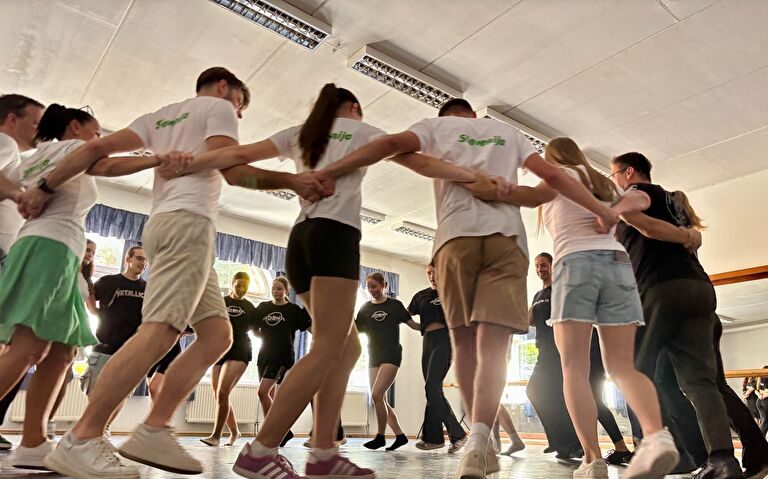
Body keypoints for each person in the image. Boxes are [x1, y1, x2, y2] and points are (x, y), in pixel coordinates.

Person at [164, 83, 475, 479]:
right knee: (329, 346)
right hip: (334, 238)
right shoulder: (361, 131)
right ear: (355, 108)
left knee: (346, 347)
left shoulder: (301, 133)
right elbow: (421, 163)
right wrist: (469, 176)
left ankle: (324, 452)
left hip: (301, 242)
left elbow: (236, 164)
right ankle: (260, 450)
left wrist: (191, 162)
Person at [36, 67, 329, 479]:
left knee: (217, 335)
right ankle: (82, 437)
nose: (238, 115)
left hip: (168, 226)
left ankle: (154, 428)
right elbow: (233, 170)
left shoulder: (159, 117)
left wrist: (45, 186)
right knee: (160, 331)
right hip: (187, 225)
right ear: (225, 87)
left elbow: (94, 157)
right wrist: (292, 180)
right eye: (240, 104)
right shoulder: (217, 108)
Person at [319, 98, 620, 479]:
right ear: (475, 116)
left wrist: (334, 169)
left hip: (455, 240)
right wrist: (603, 209)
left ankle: (477, 447)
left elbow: (388, 146)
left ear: (444, 117)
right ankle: (479, 437)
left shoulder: (435, 128)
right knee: (494, 348)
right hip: (506, 240)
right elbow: (555, 178)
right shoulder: (506, 132)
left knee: (463, 345)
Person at [498, 138, 675, 478]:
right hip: (618, 264)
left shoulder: (558, 175)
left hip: (575, 263)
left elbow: (531, 196)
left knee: (574, 369)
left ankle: (592, 460)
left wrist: (501, 189)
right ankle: (656, 436)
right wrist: (617, 210)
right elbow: (642, 198)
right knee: (621, 367)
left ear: (552, 157)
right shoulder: (605, 184)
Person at [0, 103, 156, 470]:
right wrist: (156, 158)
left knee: (63, 350)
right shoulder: (73, 148)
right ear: (75, 127)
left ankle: (33, 441)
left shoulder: (35, 157)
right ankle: (33, 440)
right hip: (50, 247)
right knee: (28, 347)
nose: (98, 140)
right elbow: (107, 164)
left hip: (54, 251)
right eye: (96, 132)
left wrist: (20, 194)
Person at [611, 151, 744, 479]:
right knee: (699, 380)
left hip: (661, 289)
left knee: (631, 370)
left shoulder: (637, 192)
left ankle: (660, 448)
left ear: (629, 172)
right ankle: (722, 460)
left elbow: (629, 209)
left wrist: (610, 209)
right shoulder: (673, 202)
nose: (614, 181)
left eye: (614, 175)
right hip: (697, 288)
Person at [0, 93, 44, 452]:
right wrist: (20, 196)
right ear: (12, 120)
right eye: (35, 122)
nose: (39, 130)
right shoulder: (4, 142)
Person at [408, 262, 467, 454]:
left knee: (431, 387)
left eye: (436, 272)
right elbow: (405, 315)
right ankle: (434, 439)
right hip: (428, 342)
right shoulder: (421, 296)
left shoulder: (453, 293)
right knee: (433, 390)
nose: (432, 276)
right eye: (429, 273)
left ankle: (457, 434)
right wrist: (417, 327)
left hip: (445, 340)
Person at [200, 272, 258, 447]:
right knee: (219, 395)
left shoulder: (250, 308)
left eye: (245, 286)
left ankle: (216, 436)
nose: (241, 289)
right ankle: (235, 432)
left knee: (223, 392)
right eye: (238, 285)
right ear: (232, 284)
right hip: (220, 350)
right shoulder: (221, 302)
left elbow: (257, 332)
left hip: (240, 350)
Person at [252, 276, 311, 448]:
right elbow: (254, 329)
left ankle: (272, 431)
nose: (276, 292)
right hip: (264, 356)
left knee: (262, 392)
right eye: (274, 288)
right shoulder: (263, 307)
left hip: (282, 357)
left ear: (286, 291)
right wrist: (268, 338)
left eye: (279, 289)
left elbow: (308, 327)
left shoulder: (293, 310)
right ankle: (283, 433)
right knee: (269, 396)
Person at [356, 272, 411, 452]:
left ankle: (380, 437)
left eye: (374, 286)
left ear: (384, 285)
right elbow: (355, 330)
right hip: (374, 355)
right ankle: (400, 436)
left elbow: (413, 324)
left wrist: (431, 329)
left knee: (377, 394)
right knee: (380, 399)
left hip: (391, 355)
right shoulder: (365, 308)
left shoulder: (395, 305)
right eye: (369, 287)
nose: (371, 290)